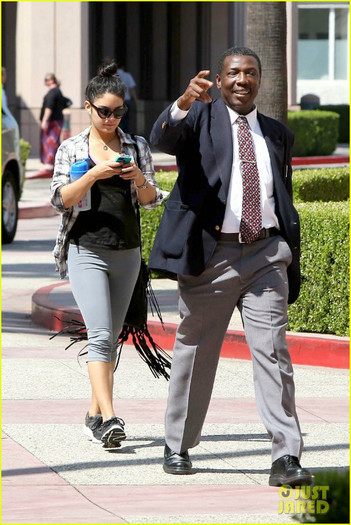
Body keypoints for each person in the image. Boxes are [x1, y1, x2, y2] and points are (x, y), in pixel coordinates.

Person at [148, 46, 313, 487]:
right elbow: (161, 140)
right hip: (211, 257)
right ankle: (178, 443)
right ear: (219, 81)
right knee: (196, 350)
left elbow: (281, 193)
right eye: (234, 73)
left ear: (259, 80)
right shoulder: (199, 118)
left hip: (265, 255)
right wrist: (184, 102)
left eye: (251, 73)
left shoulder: (277, 134)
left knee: (273, 351)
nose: (243, 80)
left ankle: (285, 455)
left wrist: (285, 247)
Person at [50, 61, 164, 450]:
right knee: (100, 334)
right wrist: (94, 175)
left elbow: (151, 201)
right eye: (104, 111)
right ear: (88, 107)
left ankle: (94, 415)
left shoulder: (136, 146)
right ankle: (112, 418)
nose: (112, 118)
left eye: (118, 111)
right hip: (85, 249)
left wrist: (138, 179)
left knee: (110, 338)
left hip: (127, 251)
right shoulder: (72, 148)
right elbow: (60, 199)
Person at [39, 73, 65, 176]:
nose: (46, 81)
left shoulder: (52, 93)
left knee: (50, 141)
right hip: (57, 120)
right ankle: (55, 163)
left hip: (52, 121)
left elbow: (49, 107)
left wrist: (44, 120)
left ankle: (49, 164)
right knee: (55, 141)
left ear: (52, 80)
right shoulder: (57, 91)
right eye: (45, 79)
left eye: (47, 79)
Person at [117, 65, 138, 133]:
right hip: (126, 100)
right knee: (126, 120)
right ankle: (125, 135)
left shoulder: (113, 75)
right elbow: (132, 89)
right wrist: (136, 101)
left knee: (117, 119)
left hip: (116, 101)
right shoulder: (127, 75)